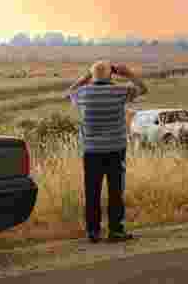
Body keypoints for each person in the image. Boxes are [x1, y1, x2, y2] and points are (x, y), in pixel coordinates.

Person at [68, 61, 148, 243]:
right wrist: (128, 73)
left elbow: (69, 92)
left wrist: (85, 77)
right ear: (111, 75)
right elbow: (143, 89)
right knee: (115, 191)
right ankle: (116, 230)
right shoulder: (120, 92)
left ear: (92, 76)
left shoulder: (83, 94)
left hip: (91, 151)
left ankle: (93, 231)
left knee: (92, 191)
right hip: (115, 149)